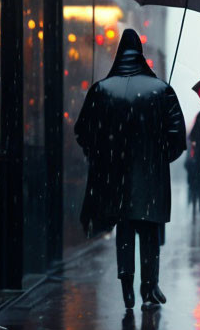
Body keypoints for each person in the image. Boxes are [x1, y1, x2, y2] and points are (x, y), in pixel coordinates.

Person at [75, 29, 186, 309]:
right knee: (148, 230)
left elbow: (82, 132)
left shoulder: (101, 89)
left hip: (115, 176)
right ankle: (149, 288)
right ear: (141, 55)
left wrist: (101, 155)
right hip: (150, 176)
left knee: (123, 229)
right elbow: (177, 137)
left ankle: (127, 287)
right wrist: (161, 158)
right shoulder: (162, 90)